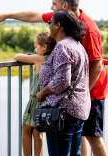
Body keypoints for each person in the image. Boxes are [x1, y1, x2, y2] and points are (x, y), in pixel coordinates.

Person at [0, 0, 108, 156]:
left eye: (54, 4)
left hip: (88, 93)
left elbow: (96, 66)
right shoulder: (73, 38)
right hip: (76, 100)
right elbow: (33, 16)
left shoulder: (87, 30)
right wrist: (7, 15)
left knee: (92, 136)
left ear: (64, 7)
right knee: (77, 139)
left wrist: (46, 93)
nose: (51, 9)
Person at [36, 9, 90, 156]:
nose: (48, 26)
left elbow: (62, 81)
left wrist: (42, 92)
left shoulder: (62, 46)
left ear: (58, 25)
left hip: (62, 111)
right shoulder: (77, 45)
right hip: (78, 109)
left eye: (50, 22)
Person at [14, 32, 56, 156]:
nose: (34, 49)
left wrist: (31, 56)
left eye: (36, 46)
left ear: (44, 47)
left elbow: (17, 56)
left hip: (35, 100)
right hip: (46, 101)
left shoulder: (38, 58)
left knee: (25, 128)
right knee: (38, 132)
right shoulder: (54, 59)